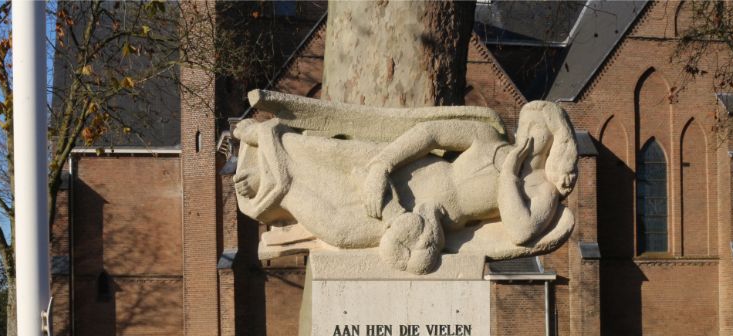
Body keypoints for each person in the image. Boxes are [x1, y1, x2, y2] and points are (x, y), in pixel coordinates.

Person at [234, 90, 577, 273]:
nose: (528, 136)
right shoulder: (487, 136)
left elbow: (520, 231)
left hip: (425, 220)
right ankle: (267, 141)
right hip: (410, 173)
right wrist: (383, 164)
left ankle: (276, 185)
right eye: (526, 125)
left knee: (338, 228)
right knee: (327, 155)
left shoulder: (540, 189)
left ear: (555, 142)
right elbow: (430, 133)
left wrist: (508, 175)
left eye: (538, 131)